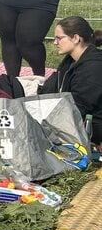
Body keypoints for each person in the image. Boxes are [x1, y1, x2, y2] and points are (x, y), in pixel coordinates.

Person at [38, 16, 102, 147]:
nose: (55, 43)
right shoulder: (70, 61)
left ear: (76, 38)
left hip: (91, 125)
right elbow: (52, 88)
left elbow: (79, 106)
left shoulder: (93, 66)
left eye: (59, 38)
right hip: (70, 116)